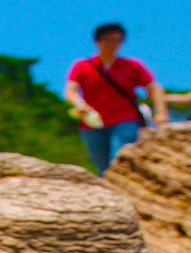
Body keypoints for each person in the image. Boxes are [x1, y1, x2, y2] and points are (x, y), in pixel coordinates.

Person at [63, 23, 167, 174]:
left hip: (125, 119)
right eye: (109, 40)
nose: (114, 44)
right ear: (98, 41)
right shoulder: (82, 66)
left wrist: (161, 112)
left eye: (118, 40)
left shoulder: (132, 65)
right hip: (92, 122)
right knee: (102, 165)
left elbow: (154, 89)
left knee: (119, 160)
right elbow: (70, 91)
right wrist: (80, 104)